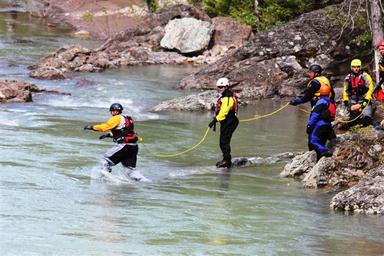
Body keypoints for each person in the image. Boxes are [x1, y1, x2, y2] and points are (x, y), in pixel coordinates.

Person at [84, 103, 149, 182]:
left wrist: (91, 127)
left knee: (105, 161)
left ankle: (108, 179)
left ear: (113, 111)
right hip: (133, 147)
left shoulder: (116, 118)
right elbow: (124, 132)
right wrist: (109, 135)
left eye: (112, 111)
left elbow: (104, 127)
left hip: (124, 146)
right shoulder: (128, 118)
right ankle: (147, 182)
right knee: (131, 171)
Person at [208, 77, 239, 168]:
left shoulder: (228, 98)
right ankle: (226, 159)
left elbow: (224, 111)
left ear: (226, 87)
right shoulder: (225, 96)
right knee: (223, 141)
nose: (219, 88)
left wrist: (215, 120)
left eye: (221, 87)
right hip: (226, 121)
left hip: (230, 121)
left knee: (224, 141)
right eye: (218, 87)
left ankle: (227, 161)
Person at [342, 59, 374, 128]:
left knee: (367, 120)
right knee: (351, 122)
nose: (356, 69)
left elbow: (370, 89)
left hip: (364, 98)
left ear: (360, 67)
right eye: (354, 67)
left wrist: (366, 100)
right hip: (353, 99)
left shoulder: (365, 76)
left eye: (357, 67)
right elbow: (345, 90)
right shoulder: (348, 77)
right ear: (351, 67)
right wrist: (345, 100)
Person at [307, 85, 336, 161]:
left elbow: (315, 115)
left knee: (313, 140)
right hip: (329, 125)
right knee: (323, 142)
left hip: (320, 125)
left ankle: (325, 151)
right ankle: (323, 155)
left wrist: (309, 125)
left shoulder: (321, 101)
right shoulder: (331, 101)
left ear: (320, 92)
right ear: (328, 93)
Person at [373, 39, 384, 129]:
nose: (381, 51)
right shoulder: (381, 61)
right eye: (380, 49)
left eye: (382, 49)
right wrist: (379, 84)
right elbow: (382, 75)